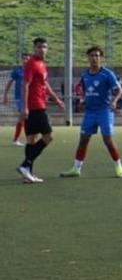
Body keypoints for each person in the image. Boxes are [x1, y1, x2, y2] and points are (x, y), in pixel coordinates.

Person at [60, 46, 122, 179]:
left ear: (101, 58)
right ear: (88, 58)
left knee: (108, 140)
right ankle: (76, 168)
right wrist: (83, 100)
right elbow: (84, 90)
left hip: (104, 111)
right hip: (90, 112)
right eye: (92, 55)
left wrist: (114, 101)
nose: (95, 58)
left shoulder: (107, 74)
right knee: (83, 140)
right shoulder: (84, 74)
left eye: (97, 55)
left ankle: (118, 165)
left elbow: (119, 90)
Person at [16, 37, 65, 183]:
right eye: (39, 47)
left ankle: (28, 174)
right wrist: (24, 107)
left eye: (44, 47)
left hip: (36, 105)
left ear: (47, 49)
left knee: (31, 140)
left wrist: (56, 99)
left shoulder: (42, 64)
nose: (42, 49)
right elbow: (25, 85)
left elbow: (44, 84)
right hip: (36, 106)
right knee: (48, 137)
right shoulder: (31, 63)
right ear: (34, 48)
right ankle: (25, 165)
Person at [3, 54, 28, 146]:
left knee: (24, 118)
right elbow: (9, 82)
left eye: (27, 59)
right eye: (24, 58)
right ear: (21, 60)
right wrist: (5, 95)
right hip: (19, 98)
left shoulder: (31, 70)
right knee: (24, 117)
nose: (25, 60)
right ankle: (18, 139)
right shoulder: (17, 71)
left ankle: (19, 139)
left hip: (29, 98)